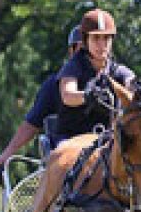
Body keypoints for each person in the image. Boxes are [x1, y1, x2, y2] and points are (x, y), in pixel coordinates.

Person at [0, 25, 83, 173]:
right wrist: (7, 153)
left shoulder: (112, 81)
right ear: (72, 51)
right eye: (81, 48)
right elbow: (31, 124)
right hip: (68, 155)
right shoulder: (54, 85)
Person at [55, 8, 135, 143]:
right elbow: (67, 95)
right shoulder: (73, 66)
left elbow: (132, 83)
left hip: (108, 138)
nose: (102, 44)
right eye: (96, 37)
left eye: (106, 38)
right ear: (86, 40)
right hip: (72, 139)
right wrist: (88, 96)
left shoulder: (117, 70)